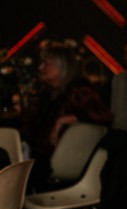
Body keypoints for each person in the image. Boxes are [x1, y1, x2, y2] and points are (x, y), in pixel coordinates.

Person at [21, 40, 113, 190]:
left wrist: (66, 119)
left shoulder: (79, 90)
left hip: (54, 164)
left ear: (61, 66)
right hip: (39, 158)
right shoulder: (47, 93)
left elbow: (103, 116)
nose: (40, 67)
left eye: (46, 63)